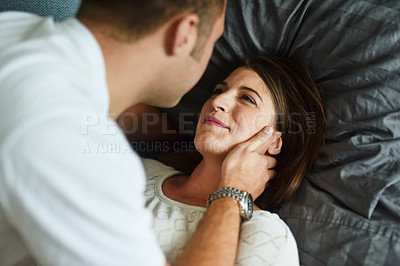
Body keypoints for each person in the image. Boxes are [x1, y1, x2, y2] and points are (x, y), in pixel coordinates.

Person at [0, 1, 280, 266]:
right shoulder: (76, 147)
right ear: (184, 34)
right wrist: (232, 193)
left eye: (248, 99)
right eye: (214, 41)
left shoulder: (13, 27)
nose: (217, 101)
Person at [141, 54, 326, 265]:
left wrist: (233, 190)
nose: (217, 101)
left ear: (275, 142)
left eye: (247, 98)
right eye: (218, 91)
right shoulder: (138, 171)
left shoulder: (268, 236)